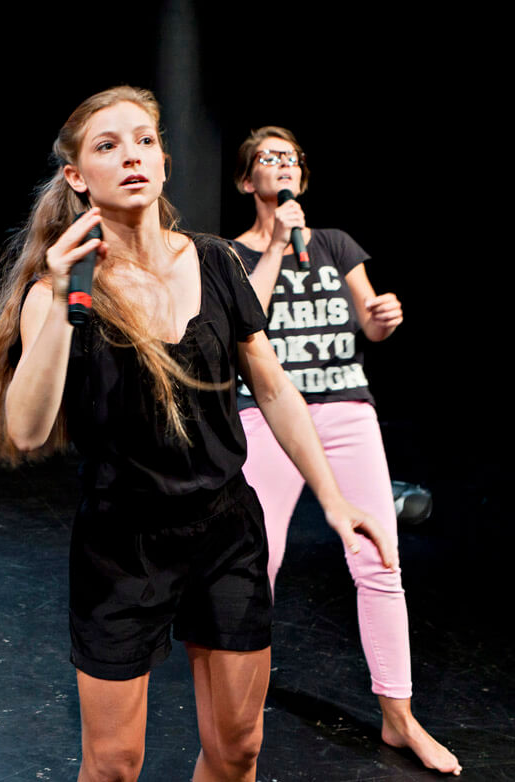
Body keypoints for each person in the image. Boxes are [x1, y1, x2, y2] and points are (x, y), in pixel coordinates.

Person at [0, 86, 397, 782]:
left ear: (162, 160)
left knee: (237, 749)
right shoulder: (62, 290)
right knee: (113, 763)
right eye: (107, 146)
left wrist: (333, 501)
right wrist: (64, 289)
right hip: (121, 545)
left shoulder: (216, 262)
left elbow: (272, 387)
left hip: (224, 529)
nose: (131, 155)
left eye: (144, 140)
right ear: (76, 177)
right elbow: (29, 428)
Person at [232, 126, 460, 775]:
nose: (280, 166)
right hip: (270, 414)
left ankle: (399, 719)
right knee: (257, 562)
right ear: (248, 181)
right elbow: (245, 317)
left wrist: (381, 318)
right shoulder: (229, 254)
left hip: (346, 408)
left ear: (299, 176)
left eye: (289, 158)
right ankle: (239, 705)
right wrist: (275, 246)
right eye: (266, 159)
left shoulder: (333, 243)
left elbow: (369, 319)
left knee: (378, 559)